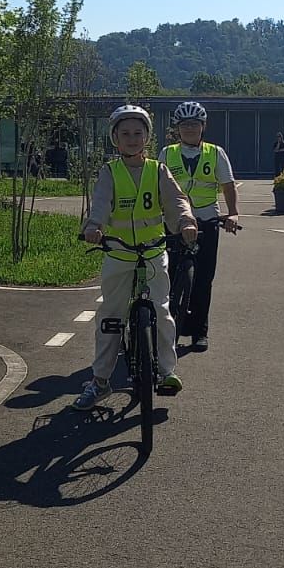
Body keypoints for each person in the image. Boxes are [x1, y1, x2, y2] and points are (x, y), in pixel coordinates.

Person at [75, 105, 197, 409]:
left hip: (153, 251)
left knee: (162, 312)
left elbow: (177, 200)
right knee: (111, 316)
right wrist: (94, 226)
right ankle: (100, 381)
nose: (132, 139)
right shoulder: (110, 172)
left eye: (138, 133)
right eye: (125, 134)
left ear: (147, 137)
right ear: (115, 138)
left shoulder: (158, 170)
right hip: (119, 253)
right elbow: (100, 203)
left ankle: (167, 372)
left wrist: (186, 222)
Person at [159, 101, 239, 352]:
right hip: (175, 222)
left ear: (203, 126)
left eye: (194, 124)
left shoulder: (215, 153)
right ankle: (167, 329)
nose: (190, 129)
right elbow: (157, 186)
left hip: (207, 220)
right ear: (177, 128)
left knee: (204, 279)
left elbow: (228, 185)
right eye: (185, 125)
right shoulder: (167, 153)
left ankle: (199, 332)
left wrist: (233, 214)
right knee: (168, 276)